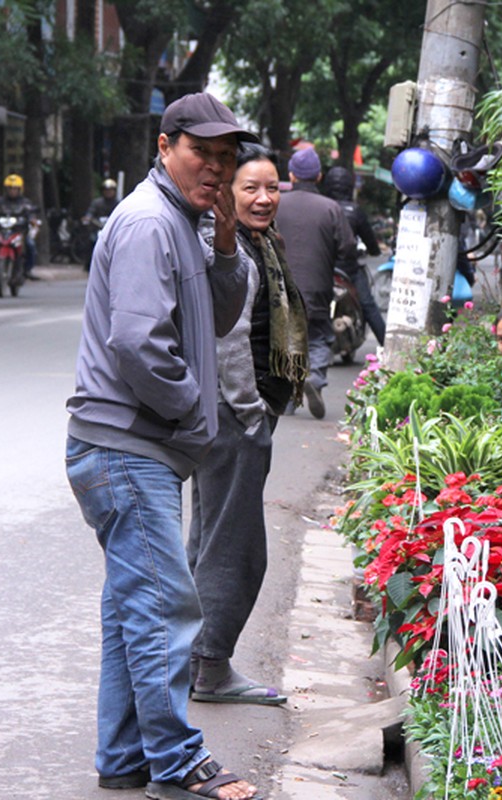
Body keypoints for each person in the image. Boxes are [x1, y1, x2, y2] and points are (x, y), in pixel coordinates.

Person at [64, 91, 261, 799]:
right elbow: (137, 344)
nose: (214, 168)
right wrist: (192, 413)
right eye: (200, 153)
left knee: (132, 610)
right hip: (126, 448)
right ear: (164, 146)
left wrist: (229, 239)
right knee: (165, 608)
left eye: (225, 157)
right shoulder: (150, 222)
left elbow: (221, 313)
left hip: (132, 449)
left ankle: (123, 758)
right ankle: (178, 765)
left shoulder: (188, 223)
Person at [187, 143, 307, 705]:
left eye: (272, 187)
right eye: (250, 188)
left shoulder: (262, 244)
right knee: (236, 546)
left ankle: (191, 658)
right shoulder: (227, 247)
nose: (264, 198)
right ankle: (210, 666)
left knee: (210, 536)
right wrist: (251, 409)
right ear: (227, 197)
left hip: (228, 414)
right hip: (236, 414)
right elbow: (229, 338)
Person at [273, 147, 354, 419]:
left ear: (291, 175)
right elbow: (347, 248)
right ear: (319, 176)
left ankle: (285, 399)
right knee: (319, 337)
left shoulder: (276, 202)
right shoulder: (331, 208)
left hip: (280, 286)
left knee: (285, 339)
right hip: (318, 286)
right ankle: (315, 379)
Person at [320, 165, 385, 345]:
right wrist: (374, 251)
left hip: (323, 268)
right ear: (349, 186)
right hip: (349, 270)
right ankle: (388, 349)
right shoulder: (355, 211)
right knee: (369, 306)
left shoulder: (322, 207)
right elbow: (370, 241)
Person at [0, 174, 41, 280]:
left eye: (15, 189)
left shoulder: (25, 202)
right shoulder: (0, 202)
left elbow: (31, 213)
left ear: (19, 190)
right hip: (2, 231)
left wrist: (32, 220)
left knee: (30, 245)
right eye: (10, 189)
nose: (12, 191)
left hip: (19, 232)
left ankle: (27, 269)